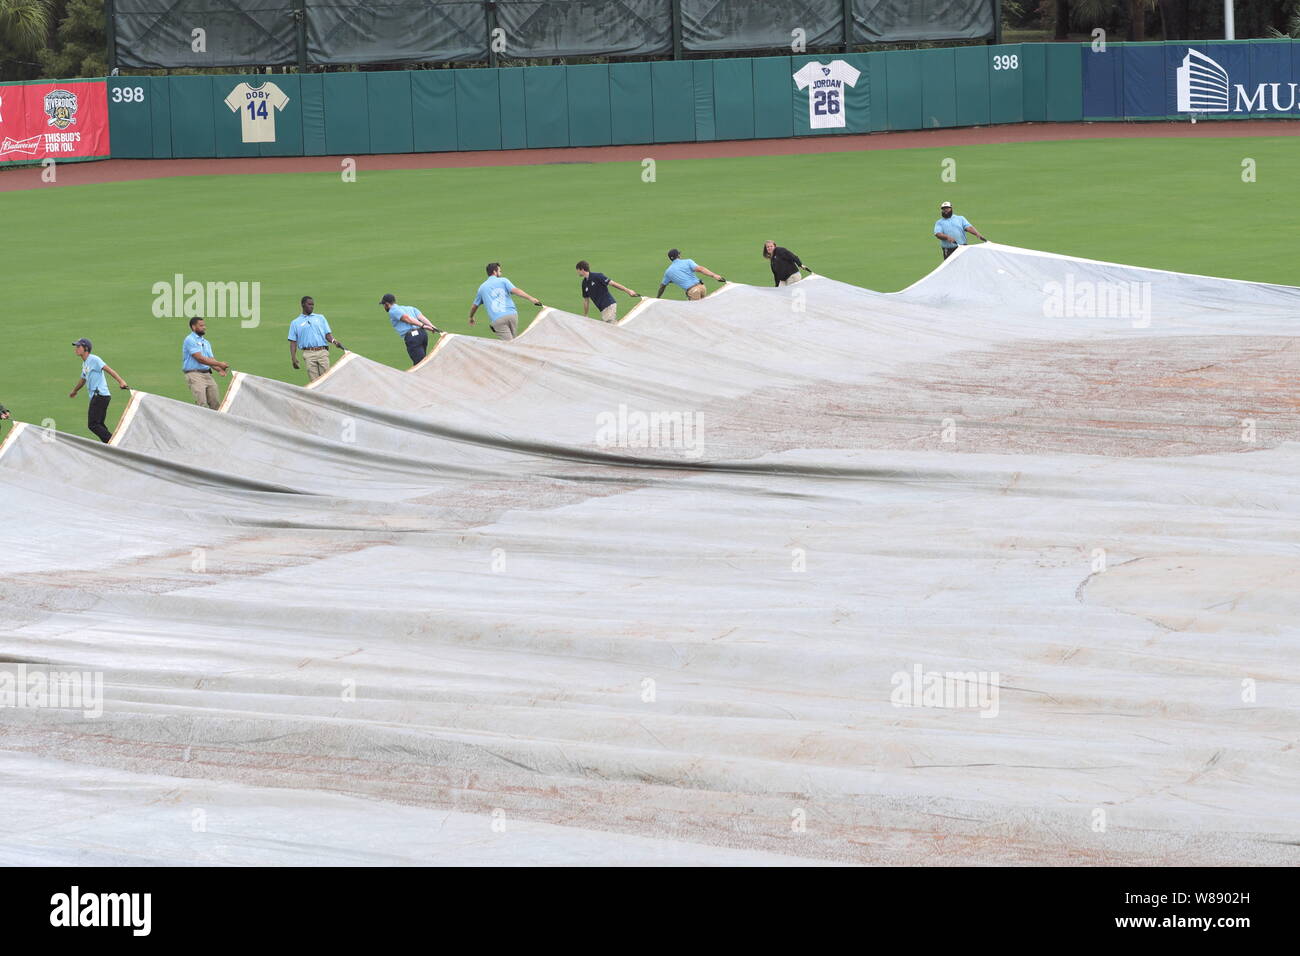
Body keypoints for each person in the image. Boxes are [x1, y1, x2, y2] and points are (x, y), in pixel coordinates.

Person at [68, 337, 129, 443]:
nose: (76, 348)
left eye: (79, 346)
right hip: (101, 396)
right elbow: (83, 380)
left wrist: (121, 381)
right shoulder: (85, 363)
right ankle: (110, 444)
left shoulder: (94, 359)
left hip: (100, 395)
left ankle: (113, 443)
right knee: (99, 424)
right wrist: (75, 390)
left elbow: (109, 370)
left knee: (93, 424)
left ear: (86, 348)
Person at [469, 263, 542, 341]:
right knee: (513, 342)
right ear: (494, 272)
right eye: (500, 271)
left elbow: (474, 306)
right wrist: (531, 298)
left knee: (509, 345)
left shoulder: (482, 288)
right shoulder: (504, 280)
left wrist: (471, 317)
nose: (501, 273)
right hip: (512, 315)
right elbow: (516, 290)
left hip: (497, 319)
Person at [288, 295, 345, 382]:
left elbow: (327, 335)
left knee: (326, 380)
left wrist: (334, 341)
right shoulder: (295, 323)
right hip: (308, 354)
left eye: (313, 304)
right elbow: (293, 342)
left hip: (322, 352)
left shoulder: (320, 318)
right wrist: (293, 358)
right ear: (303, 305)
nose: (312, 306)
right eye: (309, 304)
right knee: (314, 382)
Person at [182, 317, 230, 410]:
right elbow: (200, 359)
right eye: (201, 325)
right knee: (202, 404)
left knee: (215, 403)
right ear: (193, 327)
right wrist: (220, 364)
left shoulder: (206, 342)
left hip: (207, 375)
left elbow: (210, 360)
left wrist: (219, 369)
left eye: (204, 325)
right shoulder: (190, 339)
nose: (204, 327)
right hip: (194, 375)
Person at [380, 293, 441, 365]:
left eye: (383, 304)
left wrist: (423, 326)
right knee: (423, 362)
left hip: (413, 337)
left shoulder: (393, 310)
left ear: (387, 304)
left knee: (419, 364)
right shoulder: (409, 308)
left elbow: (407, 319)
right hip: (423, 334)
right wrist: (432, 326)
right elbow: (421, 317)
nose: (384, 306)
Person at [656, 249, 725, 301]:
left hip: (693, 291)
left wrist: (657, 298)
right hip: (702, 287)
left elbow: (662, 286)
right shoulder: (688, 261)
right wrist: (714, 275)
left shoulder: (668, 272)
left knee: (695, 312)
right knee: (703, 308)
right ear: (678, 255)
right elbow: (700, 269)